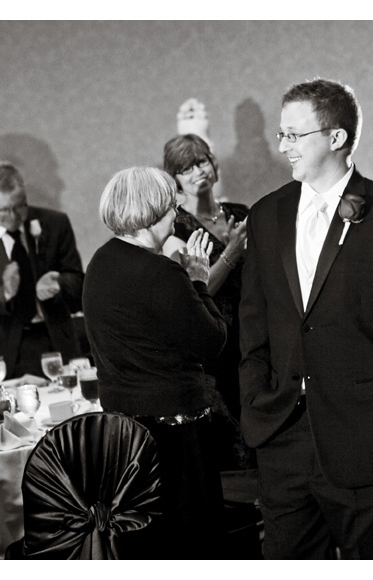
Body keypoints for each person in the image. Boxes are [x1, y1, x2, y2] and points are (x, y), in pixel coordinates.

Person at [238, 78, 373, 559]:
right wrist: (254, 399)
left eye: (295, 135)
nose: (283, 147)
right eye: (281, 134)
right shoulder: (266, 216)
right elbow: (254, 321)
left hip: (363, 435)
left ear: (336, 138)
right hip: (281, 433)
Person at [83, 166, 227, 559]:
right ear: (153, 210)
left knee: (145, 545)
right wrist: (198, 279)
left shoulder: (100, 263)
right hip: (174, 437)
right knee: (190, 542)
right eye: (172, 205)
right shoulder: (161, 272)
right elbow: (211, 342)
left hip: (124, 436)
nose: (177, 210)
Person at [162, 134, 251, 469]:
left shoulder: (240, 214)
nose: (197, 171)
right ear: (176, 179)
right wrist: (230, 252)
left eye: (201, 162)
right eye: (186, 168)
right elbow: (197, 292)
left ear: (214, 165)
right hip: (216, 344)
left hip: (254, 335)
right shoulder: (176, 228)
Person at [0, 161, 85, 378]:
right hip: (3, 352)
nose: (14, 216)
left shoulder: (54, 223)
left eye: (20, 205)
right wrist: (3, 293)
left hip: (56, 340)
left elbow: (78, 282)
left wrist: (58, 284)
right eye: (4, 210)